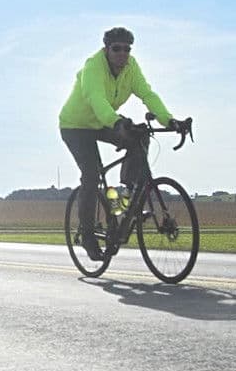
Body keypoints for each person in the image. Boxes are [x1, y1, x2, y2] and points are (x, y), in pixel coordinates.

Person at [59, 27, 183, 260]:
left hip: (102, 122)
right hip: (75, 126)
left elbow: (148, 95)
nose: (122, 54)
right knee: (91, 175)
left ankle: (127, 196)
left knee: (140, 137)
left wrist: (170, 120)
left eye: (127, 49)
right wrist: (116, 123)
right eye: (117, 49)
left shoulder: (131, 68)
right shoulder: (93, 67)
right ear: (106, 49)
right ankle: (87, 235)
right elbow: (96, 99)